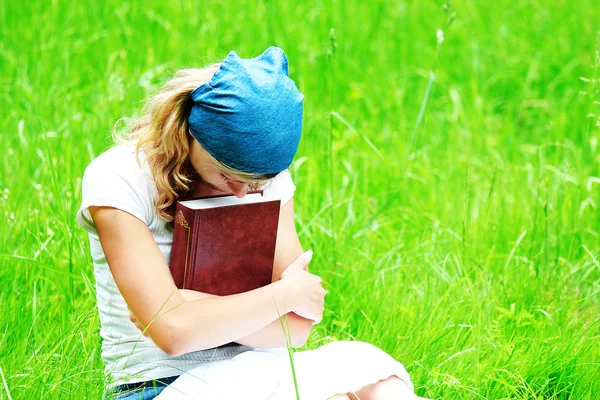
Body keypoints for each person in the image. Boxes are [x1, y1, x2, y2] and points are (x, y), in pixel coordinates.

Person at [77, 46, 423, 400]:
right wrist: (282, 294)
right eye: (229, 176)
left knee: (382, 383)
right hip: (160, 384)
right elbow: (173, 333)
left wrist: (194, 303)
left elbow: (297, 327)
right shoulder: (119, 177)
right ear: (192, 135)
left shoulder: (265, 176)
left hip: (265, 371)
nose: (243, 193)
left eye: (258, 183)